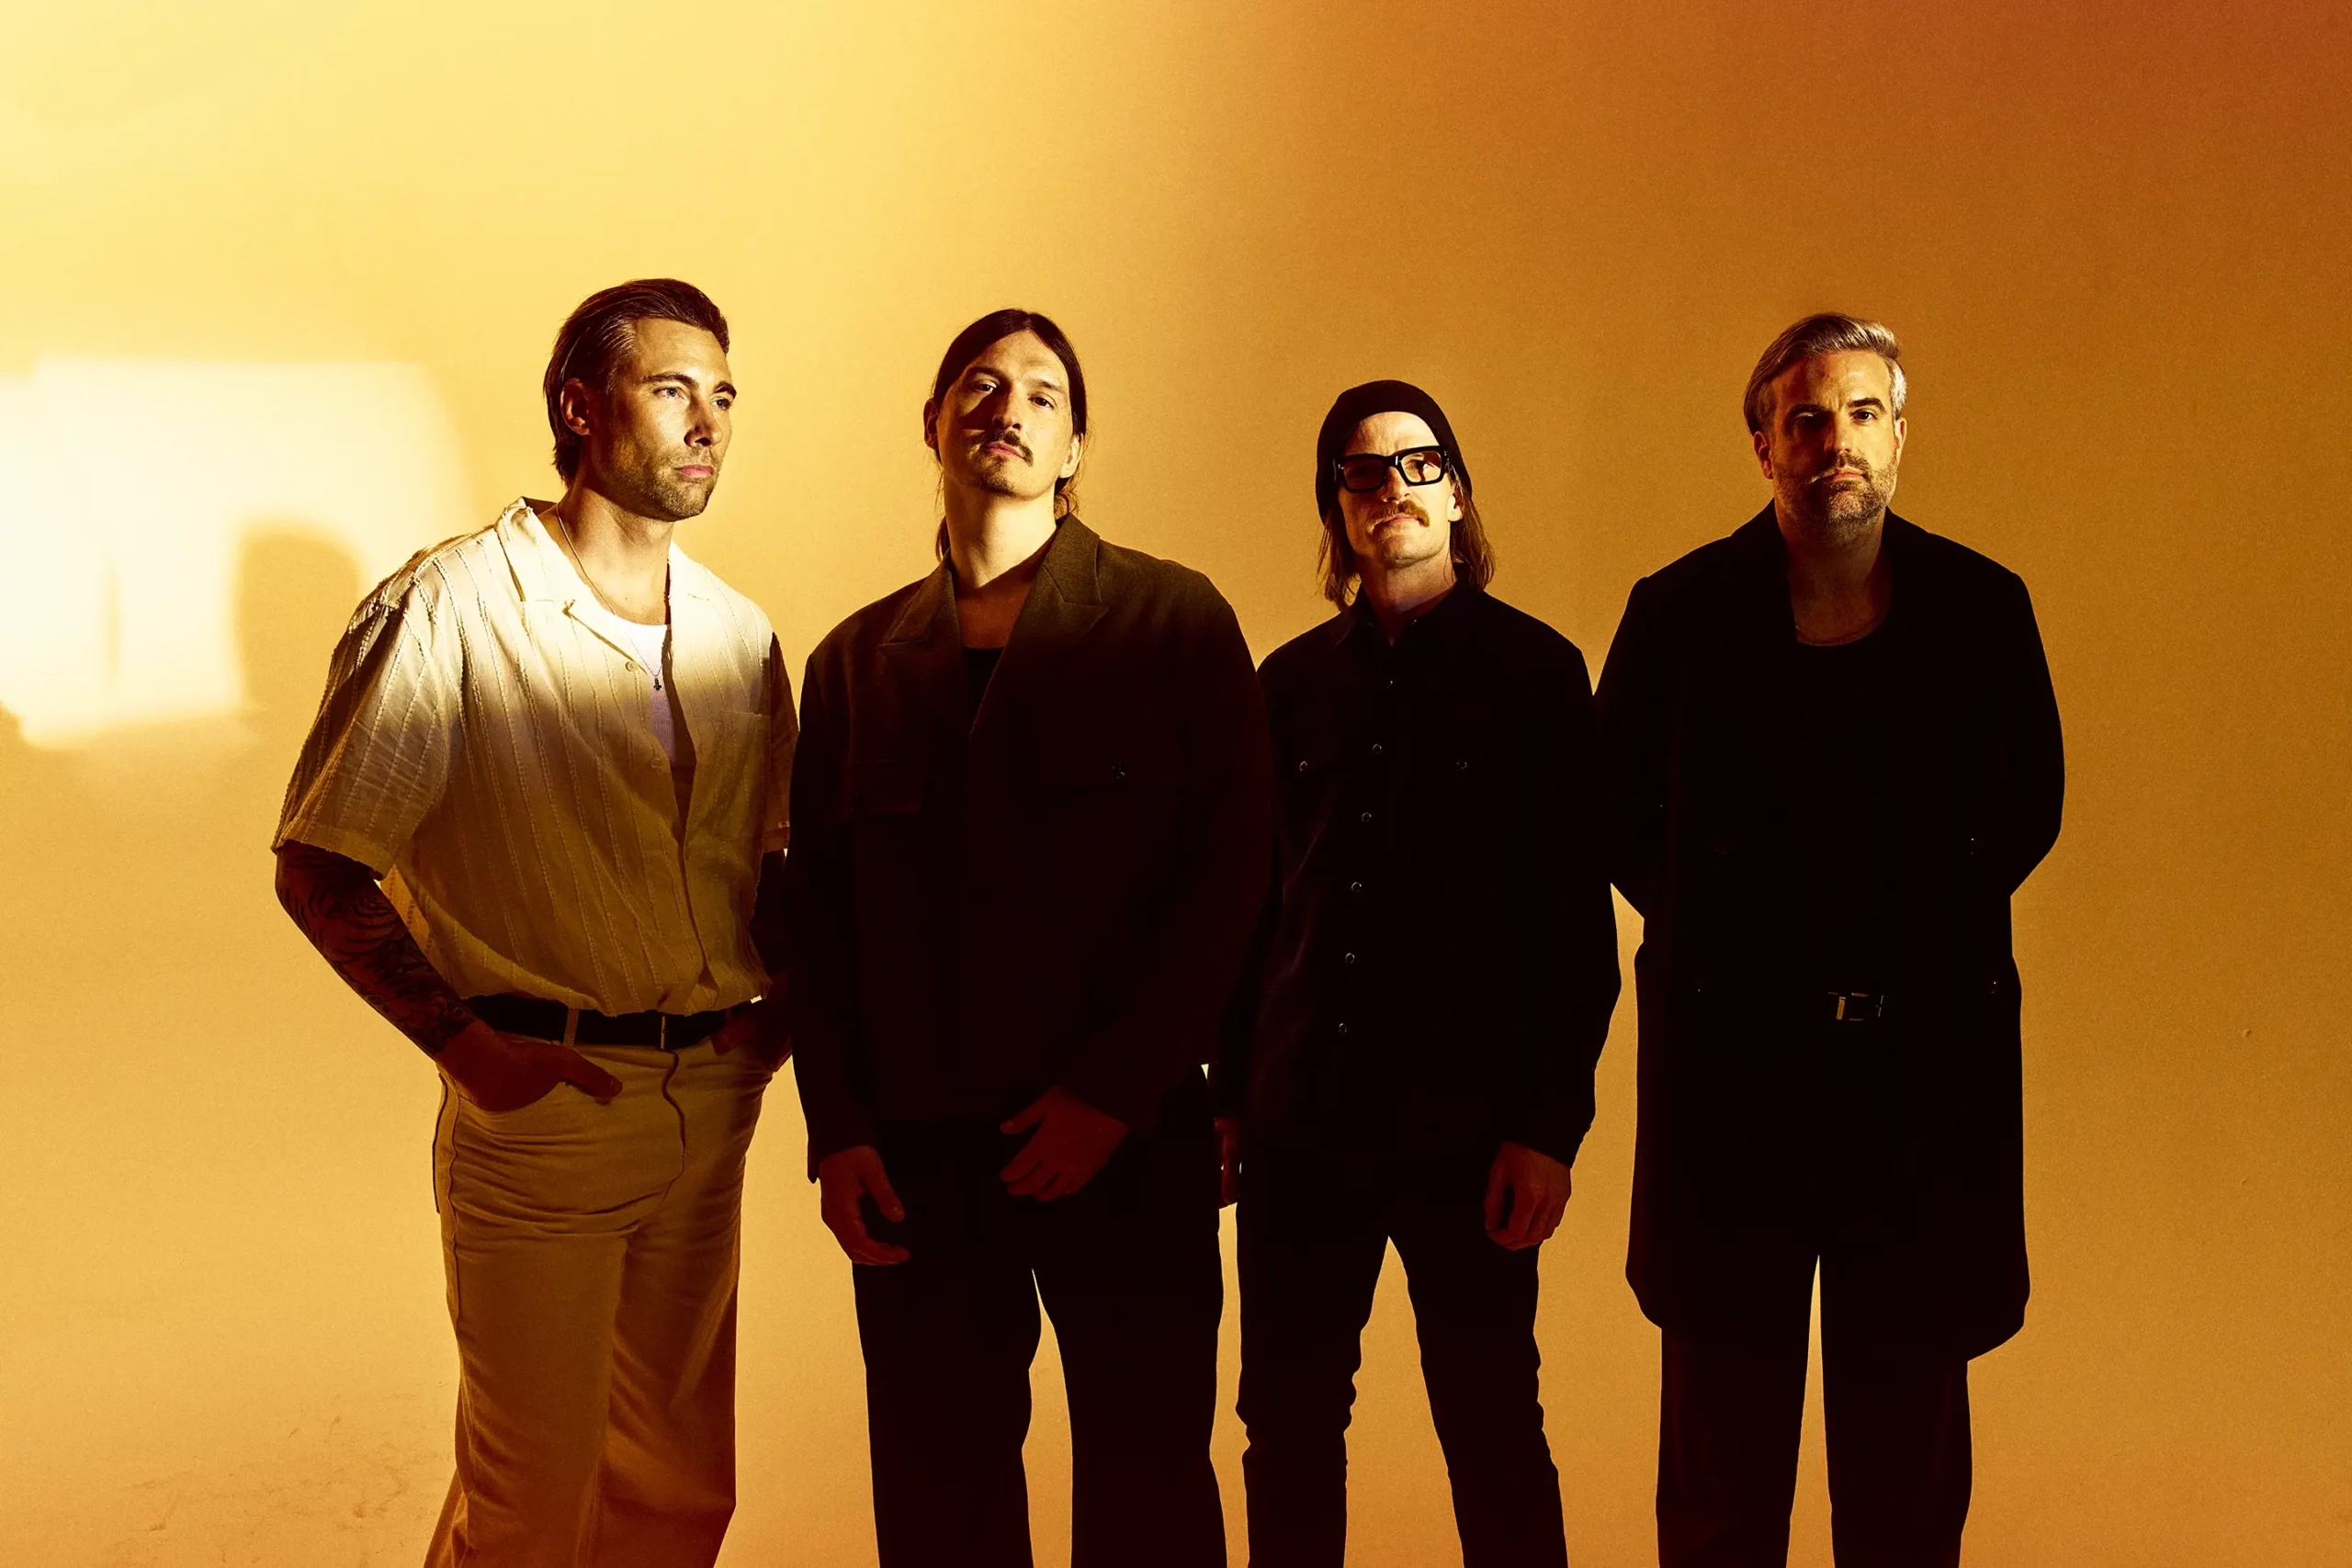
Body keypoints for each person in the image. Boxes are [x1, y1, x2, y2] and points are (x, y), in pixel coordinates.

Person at [272, 278, 796, 1568]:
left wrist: (774, 1021)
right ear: (580, 406)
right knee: (529, 1516)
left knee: (680, 1498)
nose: (708, 423)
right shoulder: (452, 605)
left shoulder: (739, 634)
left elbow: (768, 862)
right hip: (544, 1112)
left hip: (707, 1106)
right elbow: (321, 863)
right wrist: (472, 1051)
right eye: (671, 389)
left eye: (723, 396)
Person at [785, 308, 1272, 1568]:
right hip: (918, 1154)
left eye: (1044, 394)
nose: (1009, 407)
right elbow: (815, 919)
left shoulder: (1173, 619)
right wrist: (838, 1127)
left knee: (1148, 1488)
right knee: (937, 1496)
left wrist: (1116, 1090)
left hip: (1129, 1140)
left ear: (1075, 449)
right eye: (982, 384)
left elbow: (1231, 879)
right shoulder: (852, 663)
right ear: (934, 423)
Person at [1595, 313, 2064, 1566]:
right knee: (1720, 1476)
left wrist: (1917, 933)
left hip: (1918, 1085)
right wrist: (1731, 942)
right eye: (1805, 418)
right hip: (1732, 1086)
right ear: (1764, 447)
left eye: (1862, 414)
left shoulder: (1981, 609)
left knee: (1905, 1470)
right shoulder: (1680, 613)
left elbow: (2028, 805)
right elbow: (1617, 814)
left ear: (1900, 435)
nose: (1835, 440)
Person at [1212, 381, 1621, 1567]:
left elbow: (1572, 921)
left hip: (1469, 1131)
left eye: (1417, 462)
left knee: (1492, 1423)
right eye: (1361, 470)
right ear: (1336, 509)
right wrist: (1228, 1097)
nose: (1390, 485)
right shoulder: (1286, 683)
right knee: (1287, 1423)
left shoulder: (1538, 671)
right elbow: (1250, 908)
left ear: (1457, 493)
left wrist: (1547, 1127)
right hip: (1300, 1122)